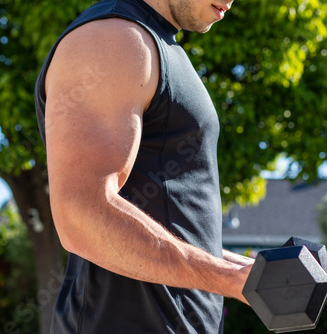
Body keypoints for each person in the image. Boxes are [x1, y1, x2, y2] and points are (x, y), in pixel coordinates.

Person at [34, 0, 254, 332]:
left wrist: (248, 272)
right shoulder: (113, 37)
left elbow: (168, 223)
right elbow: (83, 213)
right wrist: (230, 279)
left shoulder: (156, 42)